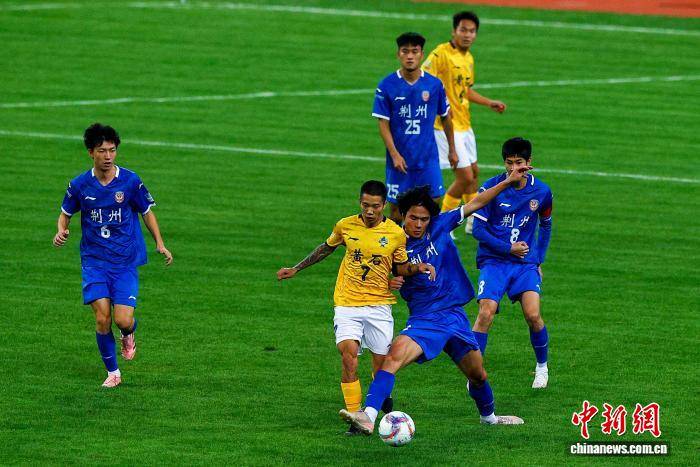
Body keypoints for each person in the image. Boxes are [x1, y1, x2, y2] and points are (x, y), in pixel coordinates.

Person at [339, 164, 531, 434]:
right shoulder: (393, 242)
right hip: (425, 319)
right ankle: (367, 416)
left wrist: (508, 182)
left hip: (454, 316)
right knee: (392, 358)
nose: (418, 224)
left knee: (478, 375)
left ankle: (490, 418)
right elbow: (376, 276)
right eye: (413, 218)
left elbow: (477, 202)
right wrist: (392, 281)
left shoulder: (441, 225)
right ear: (402, 215)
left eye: (424, 219)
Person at [277, 181, 435, 434]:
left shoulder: (395, 233)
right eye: (365, 205)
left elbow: (400, 267)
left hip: (379, 305)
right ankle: (356, 416)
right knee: (348, 354)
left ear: (384, 205)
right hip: (347, 302)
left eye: (375, 206)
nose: (370, 211)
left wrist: (416, 268)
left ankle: (381, 398)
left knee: (381, 365)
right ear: (360, 202)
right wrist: (296, 268)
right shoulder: (345, 225)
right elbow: (326, 248)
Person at [53, 123, 173, 388]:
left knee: (122, 320)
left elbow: (147, 212)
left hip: (124, 261)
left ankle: (128, 333)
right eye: (102, 151)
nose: (108, 156)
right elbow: (65, 214)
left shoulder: (130, 181)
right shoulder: (79, 185)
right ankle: (113, 372)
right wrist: (61, 231)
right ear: (91, 152)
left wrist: (160, 243)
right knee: (102, 318)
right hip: (94, 261)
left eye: (112, 150)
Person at [471, 137, 553, 389]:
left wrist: (538, 259)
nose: (514, 168)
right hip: (494, 261)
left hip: (524, 264)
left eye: (519, 163)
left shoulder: (542, 192)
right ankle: (474, 372)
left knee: (533, 315)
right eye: (509, 163)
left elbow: (546, 225)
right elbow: (477, 230)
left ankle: (542, 367)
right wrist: (508, 248)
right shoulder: (490, 188)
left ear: (529, 162)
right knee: (485, 313)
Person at [422, 11, 507, 234]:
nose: (467, 35)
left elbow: (465, 90)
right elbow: (423, 80)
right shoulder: (441, 53)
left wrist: (488, 102)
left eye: (471, 31)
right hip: (446, 125)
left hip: (464, 123)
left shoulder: (468, 58)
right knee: (465, 176)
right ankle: (442, 225)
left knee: (474, 173)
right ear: (454, 31)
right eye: (463, 30)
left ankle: (473, 221)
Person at [373, 32, 457, 224]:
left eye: (414, 51)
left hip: (428, 159)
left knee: (433, 206)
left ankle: (424, 244)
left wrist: (452, 150)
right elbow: (383, 123)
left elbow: (446, 117)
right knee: (396, 212)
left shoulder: (434, 85)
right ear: (398, 54)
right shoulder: (386, 86)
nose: (410, 56)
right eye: (405, 51)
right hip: (399, 162)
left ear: (421, 54)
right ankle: (398, 244)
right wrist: (395, 154)